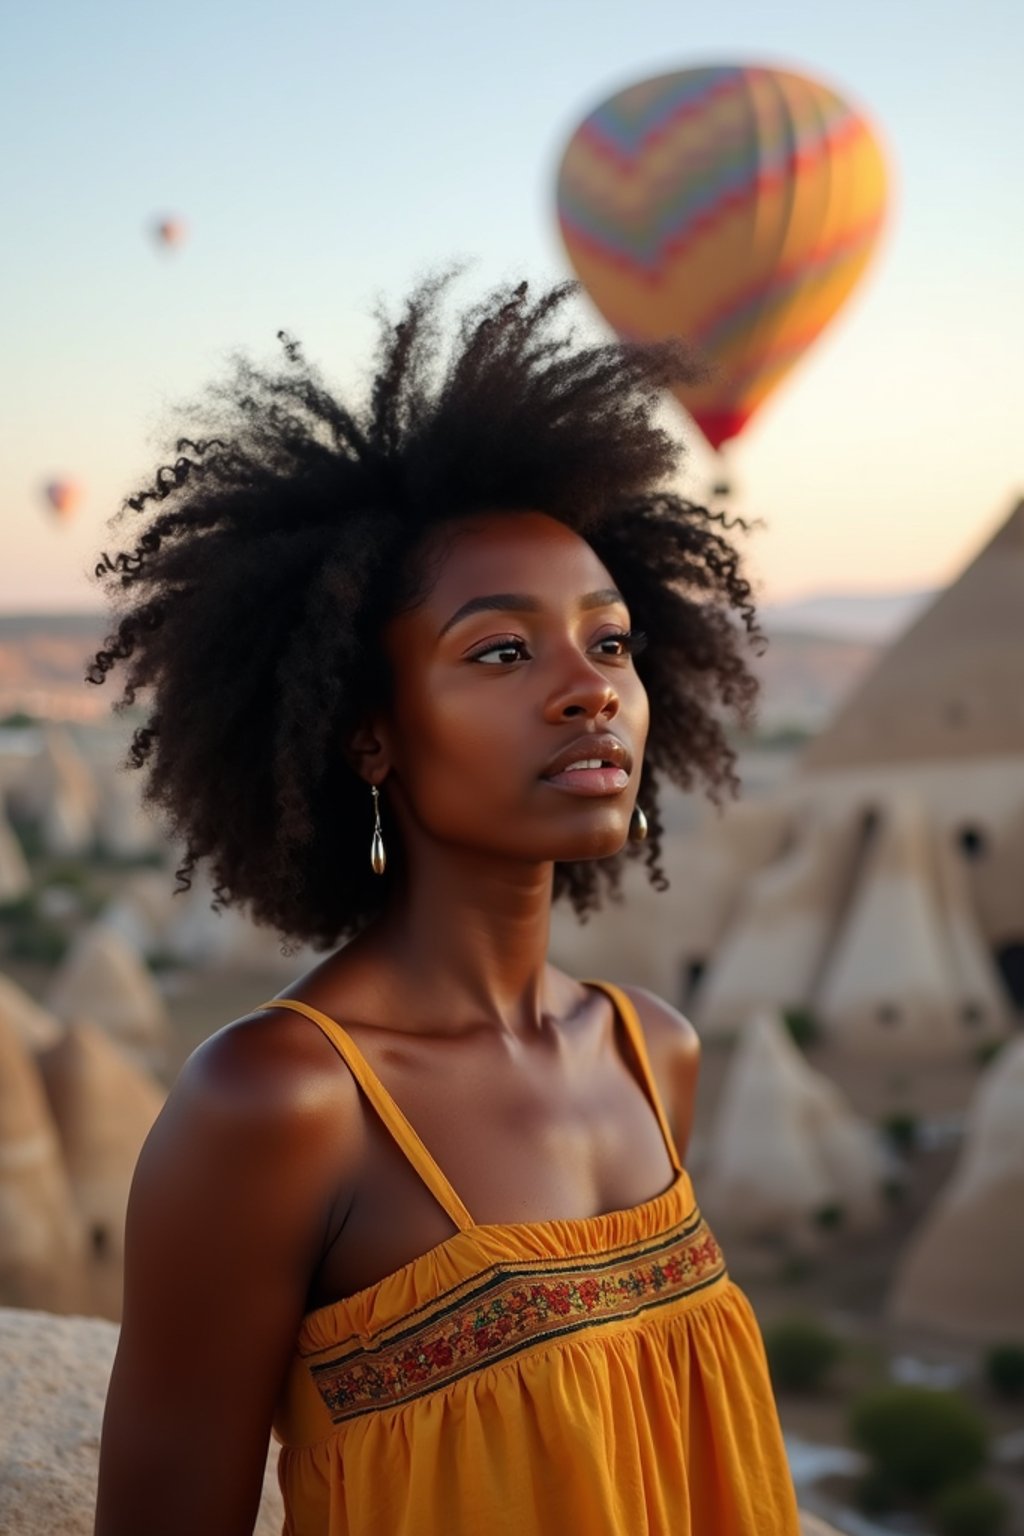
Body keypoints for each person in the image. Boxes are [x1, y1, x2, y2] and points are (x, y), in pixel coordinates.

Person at [91, 277, 800, 1536]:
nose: (591, 692)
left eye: (613, 643)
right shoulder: (278, 1104)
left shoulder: (652, 1052)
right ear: (366, 735)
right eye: (502, 651)